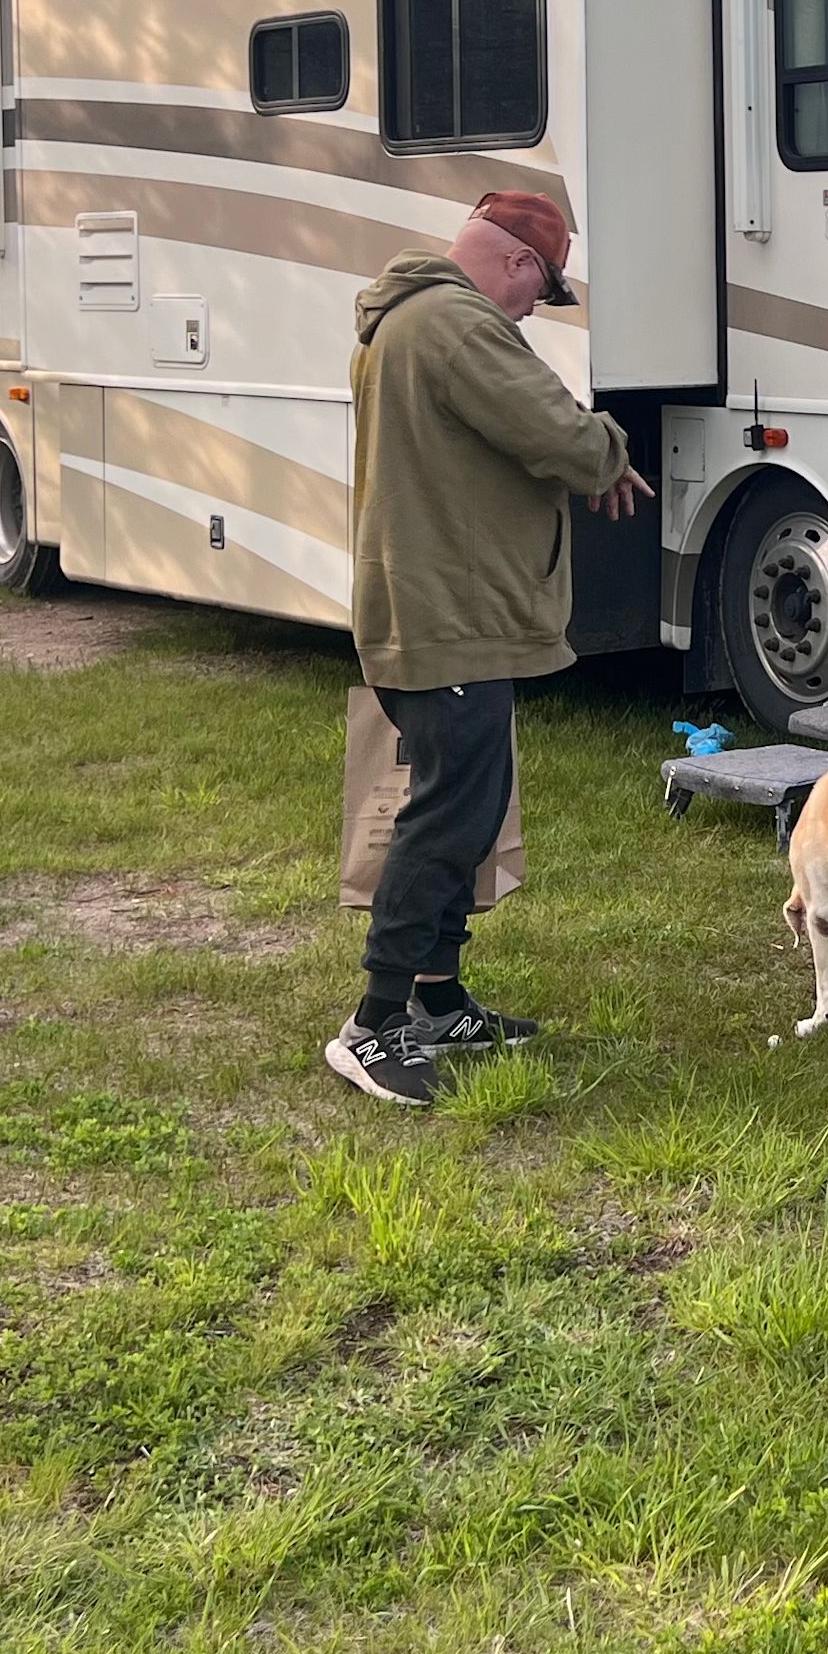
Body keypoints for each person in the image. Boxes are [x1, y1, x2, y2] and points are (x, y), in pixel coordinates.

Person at [330, 187, 651, 1107]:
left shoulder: (407, 318)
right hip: (449, 615)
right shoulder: (457, 326)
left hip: (430, 606)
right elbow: (562, 434)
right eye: (542, 288)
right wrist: (604, 448)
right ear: (514, 261)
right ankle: (376, 1022)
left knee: (467, 805)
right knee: (447, 818)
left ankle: (438, 1000)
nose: (532, 307)